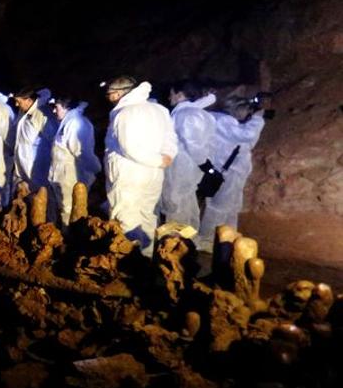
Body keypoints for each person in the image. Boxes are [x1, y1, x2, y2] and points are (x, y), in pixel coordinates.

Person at [102, 75, 177, 254]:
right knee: (147, 217)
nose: (109, 99)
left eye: (110, 94)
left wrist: (157, 160)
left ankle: (130, 268)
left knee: (125, 219)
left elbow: (129, 148)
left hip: (129, 175)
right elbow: (171, 138)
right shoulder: (159, 110)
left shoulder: (125, 113)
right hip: (154, 174)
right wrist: (165, 158)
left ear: (120, 93)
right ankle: (146, 259)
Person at [198, 96, 266, 247]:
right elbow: (246, 136)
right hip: (227, 173)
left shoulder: (227, 123)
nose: (247, 115)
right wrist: (257, 120)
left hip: (231, 172)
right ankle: (206, 240)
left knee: (231, 207)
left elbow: (246, 144)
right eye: (247, 111)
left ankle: (227, 240)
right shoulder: (223, 122)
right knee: (218, 207)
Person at [158, 80, 218, 241]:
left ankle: (175, 248)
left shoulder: (186, 115)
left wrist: (204, 164)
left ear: (179, 94)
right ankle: (189, 243)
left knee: (175, 206)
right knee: (187, 204)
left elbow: (193, 142)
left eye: (171, 93)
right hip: (190, 168)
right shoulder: (198, 113)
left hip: (182, 168)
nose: (169, 97)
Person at [47, 95, 101, 224]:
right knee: (63, 210)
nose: (54, 111)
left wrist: (96, 169)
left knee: (70, 211)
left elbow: (82, 152)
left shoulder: (76, 123)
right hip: (62, 176)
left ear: (67, 107)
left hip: (71, 177)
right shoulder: (67, 122)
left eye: (57, 107)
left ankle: (69, 240)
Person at [10, 86, 55, 191]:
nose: (16, 105)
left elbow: (52, 139)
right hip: (22, 163)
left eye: (18, 101)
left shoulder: (41, 114)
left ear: (29, 100)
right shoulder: (23, 113)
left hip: (36, 165)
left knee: (39, 196)